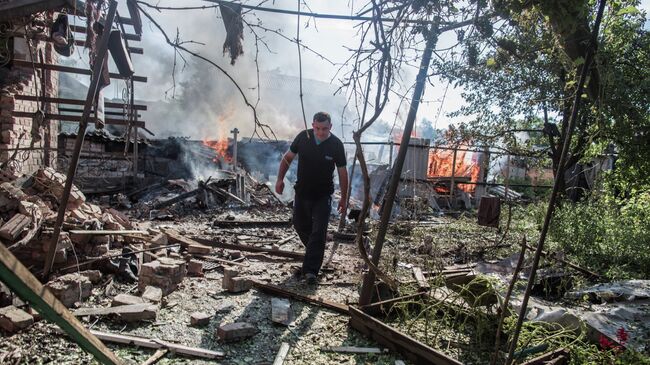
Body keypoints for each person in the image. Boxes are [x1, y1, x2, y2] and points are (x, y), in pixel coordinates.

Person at [275, 112, 348, 284]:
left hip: (323, 195)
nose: (320, 132)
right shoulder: (303, 137)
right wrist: (279, 179)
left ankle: (311, 272)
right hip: (302, 192)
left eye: (324, 129)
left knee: (319, 230)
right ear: (312, 125)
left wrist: (344, 198)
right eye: (317, 128)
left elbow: (343, 173)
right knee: (299, 225)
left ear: (330, 127)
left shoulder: (336, 145)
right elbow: (287, 159)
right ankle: (315, 251)